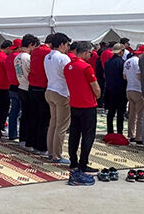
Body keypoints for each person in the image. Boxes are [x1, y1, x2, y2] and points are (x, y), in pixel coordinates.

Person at [64, 41, 100, 174]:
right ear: (85, 53)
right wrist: (97, 95)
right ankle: (83, 163)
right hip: (87, 104)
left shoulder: (68, 66)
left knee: (74, 133)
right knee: (88, 135)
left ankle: (73, 161)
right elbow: (95, 87)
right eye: (90, 53)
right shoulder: (86, 67)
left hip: (74, 103)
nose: (90, 56)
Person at [44, 33, 72, 164]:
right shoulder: (63, 58)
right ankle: (57, 155)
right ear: (61, 44)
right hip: (61, 92)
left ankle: (51, 152)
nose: (67, 47)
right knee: (61, 126)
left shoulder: (47, 56)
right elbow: (69, 76)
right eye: (66, 44)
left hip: (50, 90)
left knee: (53, 123)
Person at [27, 35, 52, 155]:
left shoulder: (35, 51)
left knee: (33, 116)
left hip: (32, 86)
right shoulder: (49, 52)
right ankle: (42, 146)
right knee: (44, 118)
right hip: (42, 86)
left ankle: (31, 143)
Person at [14, 36, 38, 148]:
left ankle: (22, 139)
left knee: (24, 115)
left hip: (21, 86)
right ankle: (29, 140)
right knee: (31, 115)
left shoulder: (17, 57)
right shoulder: (28, 58)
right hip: (28, 87)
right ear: (30, 45)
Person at [102, 43, 127, 136]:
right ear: (121, 52)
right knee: (120, 113)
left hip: (109, 89)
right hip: (120, 90)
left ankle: (110, 131)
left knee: (111, 112)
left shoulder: (107, 63)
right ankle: (119, 132)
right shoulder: (122, 63)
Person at [123, 45, 144, 143]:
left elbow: (124, 76)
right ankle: (139, 137)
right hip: (138, 89)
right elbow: (139, 75)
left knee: (132, 114)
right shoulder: (138, 62)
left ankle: (131, 134)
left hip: (129, 88)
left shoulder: (127, 61)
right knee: (140, 115)